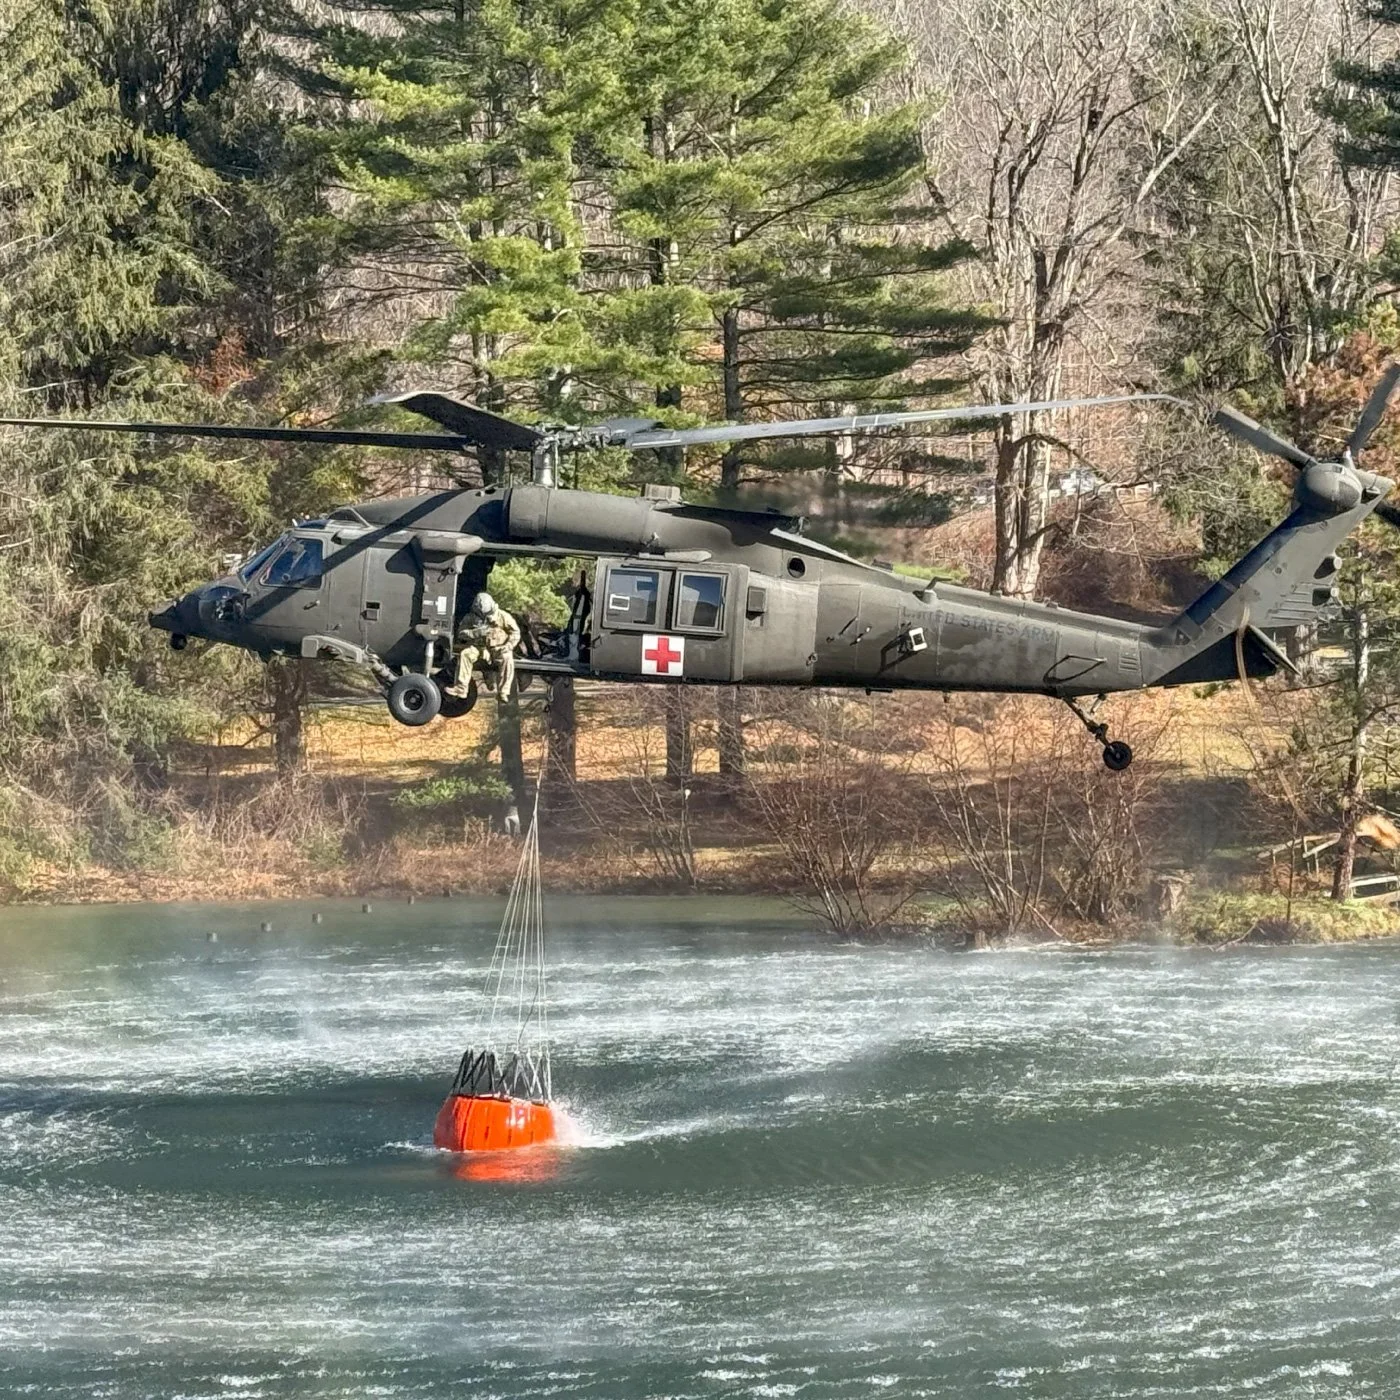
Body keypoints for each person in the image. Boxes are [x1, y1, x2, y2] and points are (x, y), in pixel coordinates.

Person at [446, 591, 521, 699]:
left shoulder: (503, 616)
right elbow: (461, 633)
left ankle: (503, 692)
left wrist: (508, 646)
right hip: (478, 648)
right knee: (465, 654)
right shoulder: (470, 617)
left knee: (507, 658)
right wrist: (476, 633)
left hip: (498, 648)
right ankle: (461, 688)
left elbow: (515, 632)